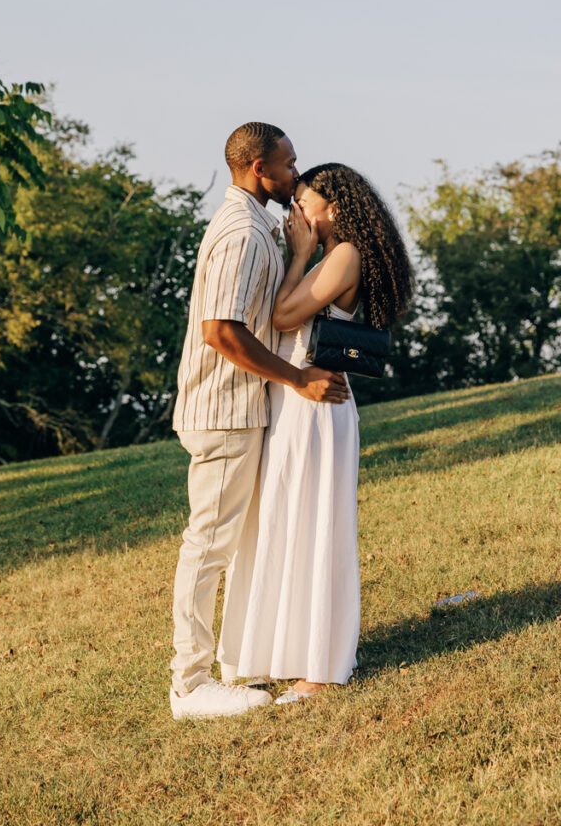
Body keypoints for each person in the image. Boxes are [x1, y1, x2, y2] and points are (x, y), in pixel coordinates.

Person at [169, 125, 350, 721]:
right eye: (288, 163)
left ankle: (239, 657)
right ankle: (190, 686)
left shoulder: (256, 225)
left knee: (231, 543)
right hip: (223, 409)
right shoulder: (245, 232)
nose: (296, 174)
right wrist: (297, 379)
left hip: (245, 408)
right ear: (256, 167)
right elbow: (220, 332)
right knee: (210, 545)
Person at [218, 163, 414, 702]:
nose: (295, 213)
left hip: (318, 409)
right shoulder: (335, 255)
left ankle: (322, 667)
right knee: (283, 522)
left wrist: (299, 254)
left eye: (304, 202)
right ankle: (278, 651)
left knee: (316, 526)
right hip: (294, 402)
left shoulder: (344, 254)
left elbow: (283, 318)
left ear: (334, 207)